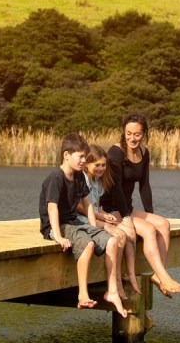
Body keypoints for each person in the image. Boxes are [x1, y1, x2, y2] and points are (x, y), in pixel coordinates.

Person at [39, 132, 127, 316]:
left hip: (74, 222)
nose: (82, 161)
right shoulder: (57, 177)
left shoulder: (78, 176)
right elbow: (52, 209)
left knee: (111, 241)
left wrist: (94, 227)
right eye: (80, 157)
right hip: (58, 226)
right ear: (66, 155)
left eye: (84, 157)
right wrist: (58, 236)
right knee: (87, 244)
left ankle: (111, 291)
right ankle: (82, 294)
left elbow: (87, 203)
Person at [102, 112, 180, 297]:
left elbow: (144, 186)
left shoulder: (144, 152)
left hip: (128, 208)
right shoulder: (115, 153)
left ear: (144, 133)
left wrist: (150, 214)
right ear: (123, 132)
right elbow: (115, 189)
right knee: (148, 230)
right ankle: (166, 277)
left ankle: (158, 275)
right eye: (129, 133)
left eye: (137, 134)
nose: (133, 138)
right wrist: (125, 217)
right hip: (110, 208)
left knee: (163, 224)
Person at [81, 144, 140, 298]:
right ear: (87, 164)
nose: (101, 169)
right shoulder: (83, 180)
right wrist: (101, 217)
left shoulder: (98, 181)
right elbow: (79, 207)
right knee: (119, 235)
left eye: (103, 165)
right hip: (84, 219)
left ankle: (128, 274)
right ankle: (115, 284)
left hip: (96, 216)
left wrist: (104, 214)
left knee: (129, 232)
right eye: (97, 165)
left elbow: (97, 206)